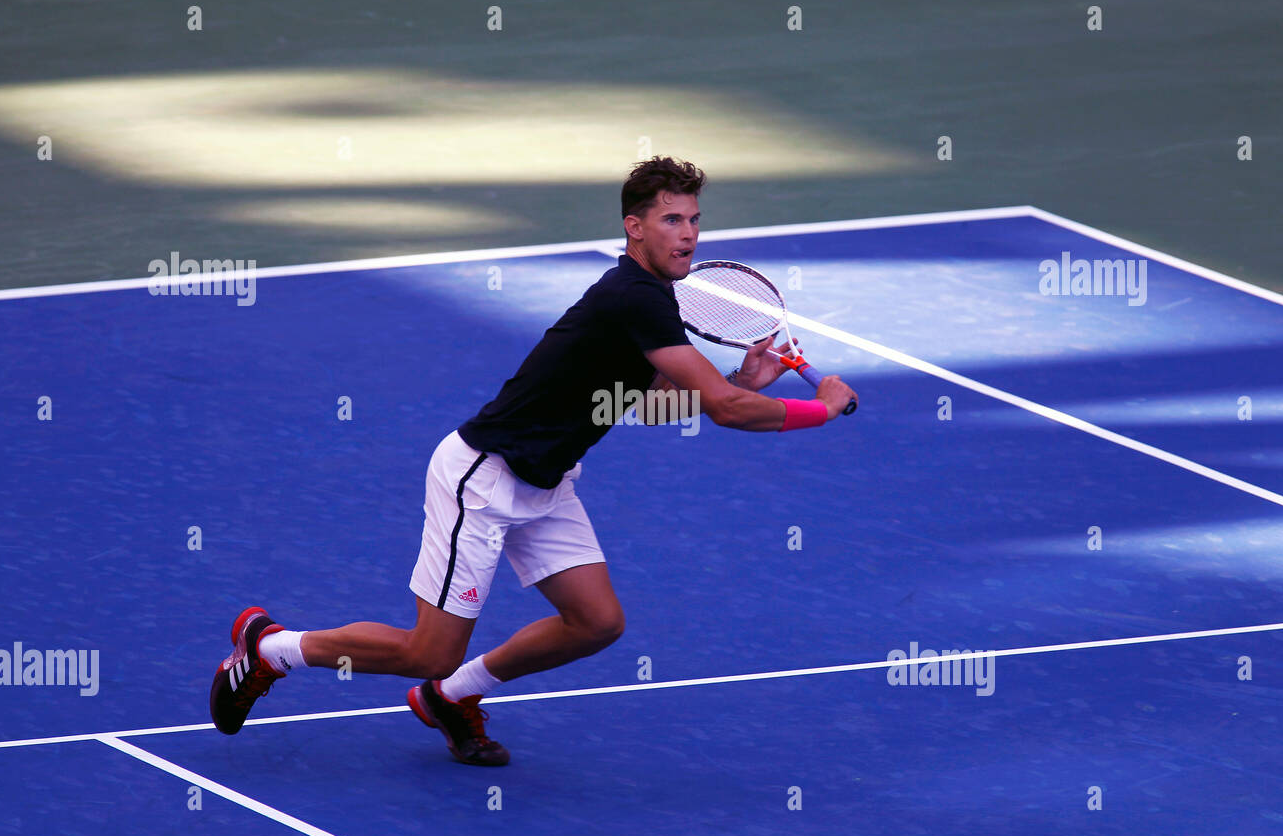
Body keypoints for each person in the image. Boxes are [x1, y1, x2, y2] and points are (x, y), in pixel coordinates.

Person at [210, 157, 857, 765]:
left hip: (546, 484)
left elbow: (641, 405)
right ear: (634, 228)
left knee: (596, 622)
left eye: (693, 220)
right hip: (483, 479)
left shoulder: (649, 299)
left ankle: (452, 697)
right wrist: (819, 408)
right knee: (426, 650)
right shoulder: (636, 297)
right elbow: (717, 411)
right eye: (670, 220)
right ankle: (271, 649)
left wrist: (742, 384)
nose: (687, 234)